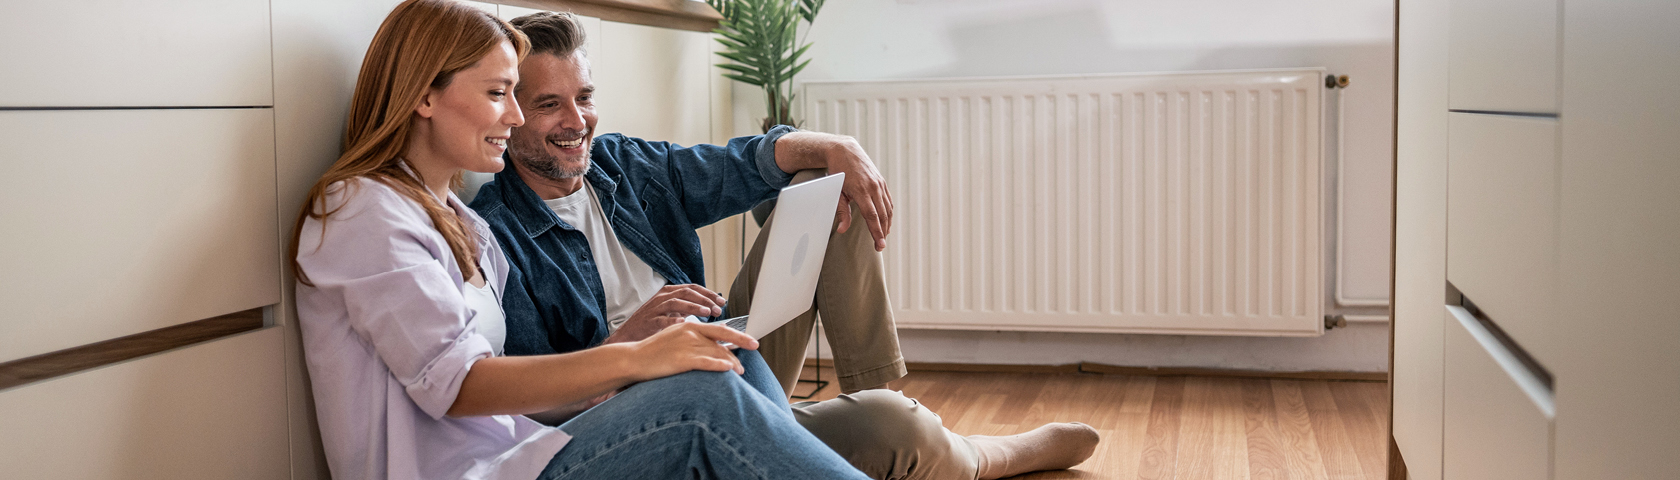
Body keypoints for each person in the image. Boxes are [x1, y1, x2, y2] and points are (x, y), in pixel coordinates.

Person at [468, 11, 1101, 480]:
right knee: (897, 432)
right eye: (549, 104)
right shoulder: (496, 231)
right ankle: (991, 454)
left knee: (825, 185)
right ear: (512, 113)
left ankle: (877, 391)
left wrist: (836, 148)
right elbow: (528, 411)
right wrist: (628, 344)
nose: (576, 122)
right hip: (641, 406)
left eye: (584, 98)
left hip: (727, 358)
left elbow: (744, 163)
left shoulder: (623, 166)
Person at [290, 1, 875, 478]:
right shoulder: (361, 210)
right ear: (423, 95)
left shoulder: (454, 219)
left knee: (717, 355)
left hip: (518, 450)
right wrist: (634, 357)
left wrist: (646, 364)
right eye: (500, 94)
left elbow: (519, 400)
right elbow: (459, 384)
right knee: (706, 399)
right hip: (479, 471)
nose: (514, 118)